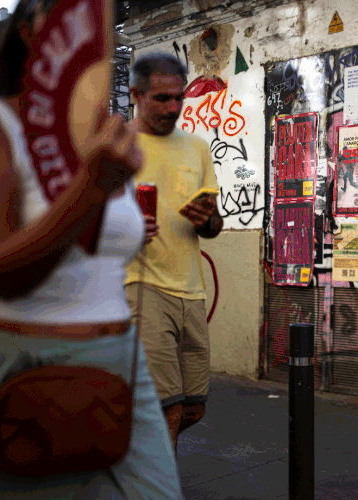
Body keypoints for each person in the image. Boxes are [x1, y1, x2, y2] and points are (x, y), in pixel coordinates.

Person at [0, 1, 182, 498]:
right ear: (32, 34)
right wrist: (92, 187)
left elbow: (101, 249)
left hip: (121, 357)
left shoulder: (105, 134)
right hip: (32, 358)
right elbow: (0, 271)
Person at [124, 53, 223, 452]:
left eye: (178, 98)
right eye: (162, 98)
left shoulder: (197, 149)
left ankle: (125, 458)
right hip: (139, 285)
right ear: (135, 95)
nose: (173, 108)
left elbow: (215, 225)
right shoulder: (116, 146)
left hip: (191, 291)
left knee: (193, 407)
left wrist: (207, 219)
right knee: (166, 407)